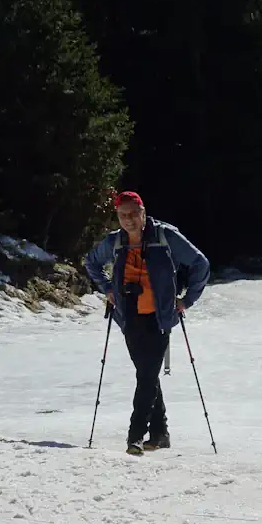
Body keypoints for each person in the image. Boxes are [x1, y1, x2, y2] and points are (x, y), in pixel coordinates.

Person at [84, 190, 211, 455]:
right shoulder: (115, 241)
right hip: (128, 316)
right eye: (123, 215)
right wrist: (108, 288)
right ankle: (160, 433)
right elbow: (92, 262)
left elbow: (200, 264)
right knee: (147, 373)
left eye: (133, 214)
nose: (128, 220)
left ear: (143, 213)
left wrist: (187, 300)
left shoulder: (165, 237)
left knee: (146, 375)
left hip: (159, 316)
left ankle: (135, 436)